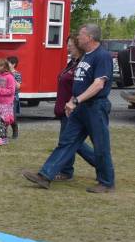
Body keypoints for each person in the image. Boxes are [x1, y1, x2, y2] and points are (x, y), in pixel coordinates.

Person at [24, 23, 116, 193]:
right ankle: (45, 176)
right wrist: (74, 103)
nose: (78, 38)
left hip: (95, 107)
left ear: (89, 37)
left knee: (101, 145)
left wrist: (76, 100)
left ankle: (106, 182)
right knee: (67, 142)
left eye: (81, 35)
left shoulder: (102, 56)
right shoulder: (86, 56)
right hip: (81, 108)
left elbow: (98, 85)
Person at [50, 35, 96, 181]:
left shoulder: (81, 65)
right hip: (64, 109)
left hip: (71, 110)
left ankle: (100, 164)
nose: (68, 47)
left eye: (70, 45)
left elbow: (83, 87)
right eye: (67, 44)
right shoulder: (72, 63)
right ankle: (67, 170)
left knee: (71, 142)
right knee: (69, 142)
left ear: (78, 47)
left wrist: (73, 103)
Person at [0, 59, 17, 146]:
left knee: (3, 120)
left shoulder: (10, 77)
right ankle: (2, 137)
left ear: (3, 67)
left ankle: (3, 138)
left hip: (6, 103)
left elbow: (11, 91)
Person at [8, 55, 22, 138]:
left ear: (13, 64)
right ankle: (3, 134)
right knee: (4, 116)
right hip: (5, 97)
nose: (6, 64)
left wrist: (11, 78)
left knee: (12, 116)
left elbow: (18, 86)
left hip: (13, 97)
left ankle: (15, 130)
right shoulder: (4, 73)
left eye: (8, 63)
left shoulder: (17, 74)